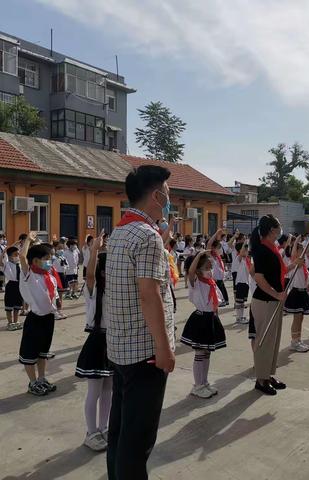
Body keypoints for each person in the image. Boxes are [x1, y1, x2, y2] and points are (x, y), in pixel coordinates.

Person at [105, 165, 175, 480]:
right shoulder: (147, 237)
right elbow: (149, 295)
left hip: (120, 348)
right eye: (168, 194)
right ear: (157, 195)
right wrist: (164, 349)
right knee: (138, 441)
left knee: (120, 432)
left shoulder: (120, 231)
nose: (169, 200)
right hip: (144, 353)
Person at [250, 215, 299, 396]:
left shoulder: (272, 248)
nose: (281, 230)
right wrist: (276, 294)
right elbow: (259, 278)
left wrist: (295, 264)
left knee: (273, 341)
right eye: (279, 227)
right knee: (264, 341)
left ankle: (268, 375)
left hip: (274, 301)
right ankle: (260, 379)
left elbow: (280, 271)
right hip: (265, 301)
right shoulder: (262, 250)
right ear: (272, 230)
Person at [75, 232, 113, 452]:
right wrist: (95, 251)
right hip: (97, 342)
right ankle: (91, 432)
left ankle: (103, 427)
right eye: (109, 270)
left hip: (112, 342)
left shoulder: (117, 291)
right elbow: (89, 275)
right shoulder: (93, 290)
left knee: (109, 389)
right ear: (102, 271)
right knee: (95, 391)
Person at [180, 251, 226, 399]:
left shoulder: (210, 282)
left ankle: (204, 382)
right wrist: (199, 255)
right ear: (199, 268)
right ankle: (197, 385)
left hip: (210, 318)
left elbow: (214, 303)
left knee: (207, 353)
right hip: (200, 320)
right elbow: (191, 271)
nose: (211, 267)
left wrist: (216, 318)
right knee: (199, 353)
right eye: (207, 265)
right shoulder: (195, 281)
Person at [18, 232, 58, 396]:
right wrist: (28, 240)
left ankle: (41, 378)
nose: (50, 261)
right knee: (30, 353)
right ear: (35, 261)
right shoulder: (30, 275)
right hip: (35, 319)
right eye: (47, 259)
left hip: (48, 318)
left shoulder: (48, 275)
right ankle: (32, 382)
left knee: (43, 352)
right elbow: (22, 256)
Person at [284, 237, 309, 352]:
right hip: (296, 293)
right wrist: (295, 242)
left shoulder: (303, 264)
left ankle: (298, 339)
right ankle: (294, 342)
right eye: (302, 250)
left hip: (302, 292)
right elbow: (294, 254)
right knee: (297, 318)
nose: (304, 252)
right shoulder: (295, 263)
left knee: (300, 318)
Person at [1, 246, 24, 330]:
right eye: (15, 254)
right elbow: (1, 261)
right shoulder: (7, 264)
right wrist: (4, 251)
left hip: (19, 285)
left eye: (18, 254)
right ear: (10, 256)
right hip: (11, 285)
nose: (17, 256)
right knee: (9, 305)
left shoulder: (19, 264)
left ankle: (15, 321)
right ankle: (10, 323)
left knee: (17, 305)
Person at [207, 231, 229, 307]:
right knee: (218, 289)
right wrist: (215, 234)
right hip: (215, 277)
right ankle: (221, 301)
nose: (219, 250)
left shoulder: (217, 256)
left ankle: (225, 300)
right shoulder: (210, 255)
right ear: (213, 248)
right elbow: (209, 244)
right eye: (218, 248)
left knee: (221, 288)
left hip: (219, 276)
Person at [234, 242, 251, 325]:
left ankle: (241, 316)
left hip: (245, 283)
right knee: (239, 301)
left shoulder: (246, 259)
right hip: (240, 282)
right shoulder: (238, 258)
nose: (247, 251)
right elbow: (241, 253)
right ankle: (238, 317)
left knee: (242, 302)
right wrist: (245, 243)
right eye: (245, 249)